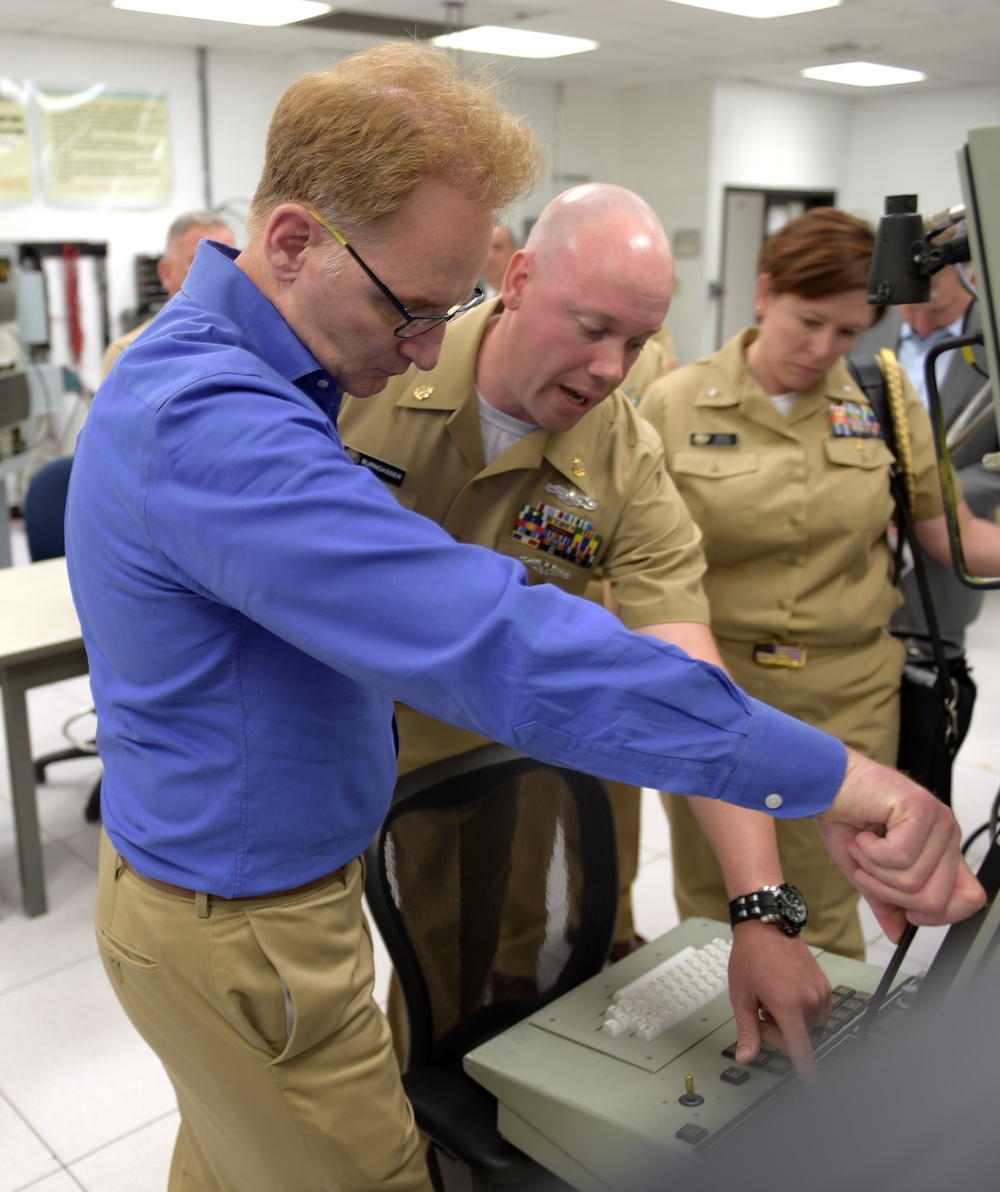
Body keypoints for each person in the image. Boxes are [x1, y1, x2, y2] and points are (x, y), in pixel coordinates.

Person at [65, 45, 982, 1192]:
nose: (416, 347)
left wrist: (761, 896)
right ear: (294, 242)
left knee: (237, 1159)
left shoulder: (291, 371)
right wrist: (840, 779)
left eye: (444, 311)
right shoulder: (221, 419)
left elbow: (666, 640)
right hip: (246, 911)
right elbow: (491, 639)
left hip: (285, 869)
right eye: (411, 311)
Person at [339, 180, 834, 1057]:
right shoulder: (372, 371)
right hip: (309, 735)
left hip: (462, 763)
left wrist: (758, 905)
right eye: (593, 328)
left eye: (637, 341)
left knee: (445, 995)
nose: (613, 368)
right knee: (306, 1029)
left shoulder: (621, 454)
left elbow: (689, 671)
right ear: (519, 279)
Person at [641, 206, 1000, 962]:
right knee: (713, 916)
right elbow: (634, 573)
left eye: (847, 331)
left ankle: (827, 1078)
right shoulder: (676, 403)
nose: (822, 349)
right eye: (808, 322)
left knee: (830, 918)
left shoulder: (882, 396)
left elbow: (956, 537)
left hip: (845, 699)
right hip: (715, 696)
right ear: (764, 292)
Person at [854, 237, 995, 799]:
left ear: (968, 277)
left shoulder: (990, 339)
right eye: (907, 300)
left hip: (947, 551)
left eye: (930, 302)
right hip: (858, 550)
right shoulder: (864, 331)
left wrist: (934, 495)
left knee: (926, 710)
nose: (914, 312)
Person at [102, 210, 236, 374]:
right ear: (166, 272)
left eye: (228, 260)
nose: (218, 271)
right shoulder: (127, 354)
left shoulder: (246, 344)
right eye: (201, 260)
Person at [481, 223, 518, 298]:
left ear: (514, 252)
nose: (490, 256)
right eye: (484, 250)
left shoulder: (529, 296)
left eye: (498, 247)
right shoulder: (466, 303)